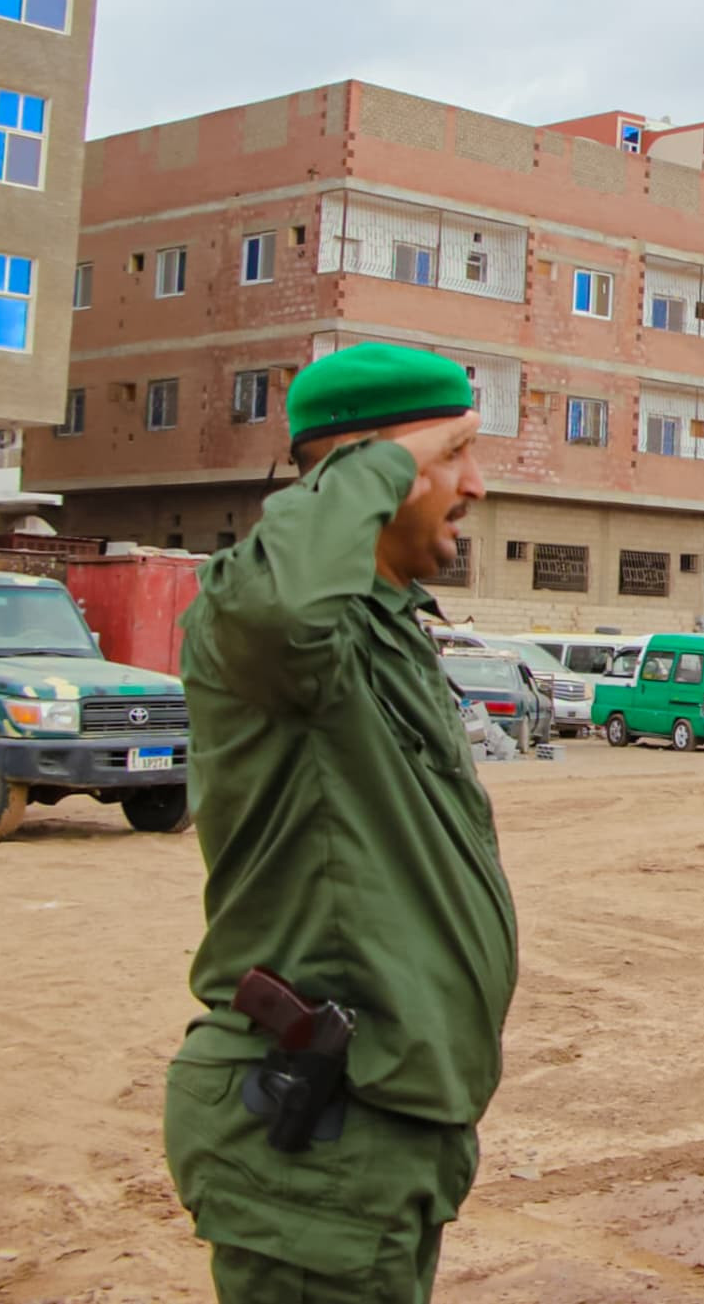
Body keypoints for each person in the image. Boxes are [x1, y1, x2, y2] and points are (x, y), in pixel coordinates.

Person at [164, 343, 517, 1302]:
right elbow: (285, 609)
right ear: (369, 469)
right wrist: (384, 459)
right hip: (314, 1140)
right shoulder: (263, 617)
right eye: (453, 453)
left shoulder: (381, 627)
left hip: (376, 1130)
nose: (476, 485)